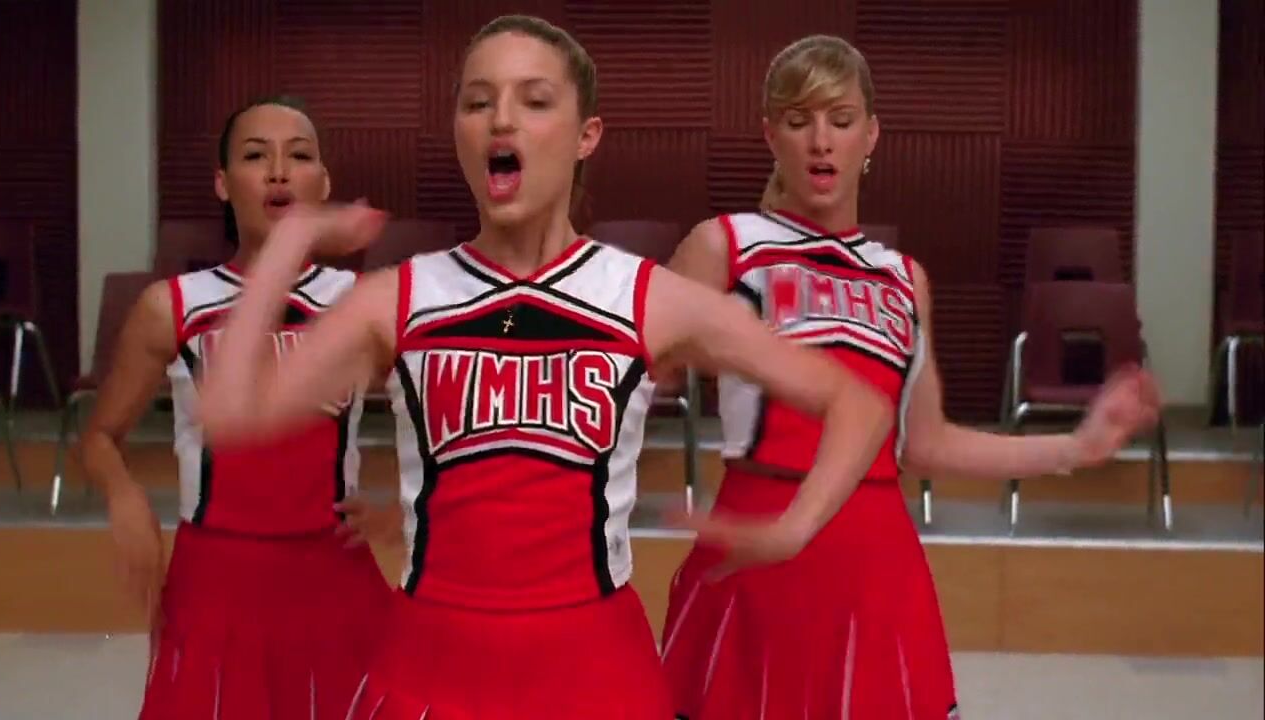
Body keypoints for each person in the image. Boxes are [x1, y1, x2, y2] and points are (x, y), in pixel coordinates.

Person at [195, 15, 898, 720]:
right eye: (478, 101)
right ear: (460, 132)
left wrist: (791, 529)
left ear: (586, 135)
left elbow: (859, 405)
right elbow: (229, 413)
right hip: (429, 668)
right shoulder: (396, 298)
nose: (501, 119)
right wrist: (291, 243)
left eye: (534, 100)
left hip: (597, 674)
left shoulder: (646, 298)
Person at [658, 35, 1162, 720]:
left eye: (841, 120)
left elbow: (926, 444)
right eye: (799, 120)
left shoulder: (902, 278)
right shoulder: (725, 245)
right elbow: (637, 378)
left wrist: (1078, 445)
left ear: (871, 135)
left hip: (878, 563)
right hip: (758, 547)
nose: (821, 141)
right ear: (770, 134)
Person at [76, 96, 395, 720]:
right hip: (214, 577)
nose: (278, 170)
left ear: (323, 182)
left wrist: (402, 512)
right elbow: (100, 436)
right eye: (255, 156)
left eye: (298, 156)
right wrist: (124, 495)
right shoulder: (172, 305)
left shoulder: (362, 302)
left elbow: (450, 424)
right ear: (223, 183)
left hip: (333, 571)